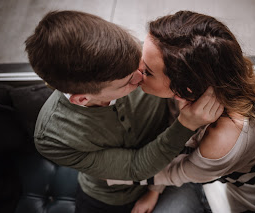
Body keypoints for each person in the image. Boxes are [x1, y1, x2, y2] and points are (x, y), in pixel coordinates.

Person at [25, 10, 224, 213]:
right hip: (110, 197)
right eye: (129, 81)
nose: (142, 77)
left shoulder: (139, 56)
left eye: (143, 67)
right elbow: (134, 167)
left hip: (173, 173)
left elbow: (219, 68)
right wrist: (186, 125)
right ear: (83, 98)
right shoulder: (51, 139)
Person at [106, 10, 255, 213]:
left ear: (184, 88)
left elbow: (176, 171)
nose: (136, 69)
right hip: (196, 171)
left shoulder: (223, 138)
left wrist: (108, 173)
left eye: (147, 71)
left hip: (225, 199)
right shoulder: (214, 70)